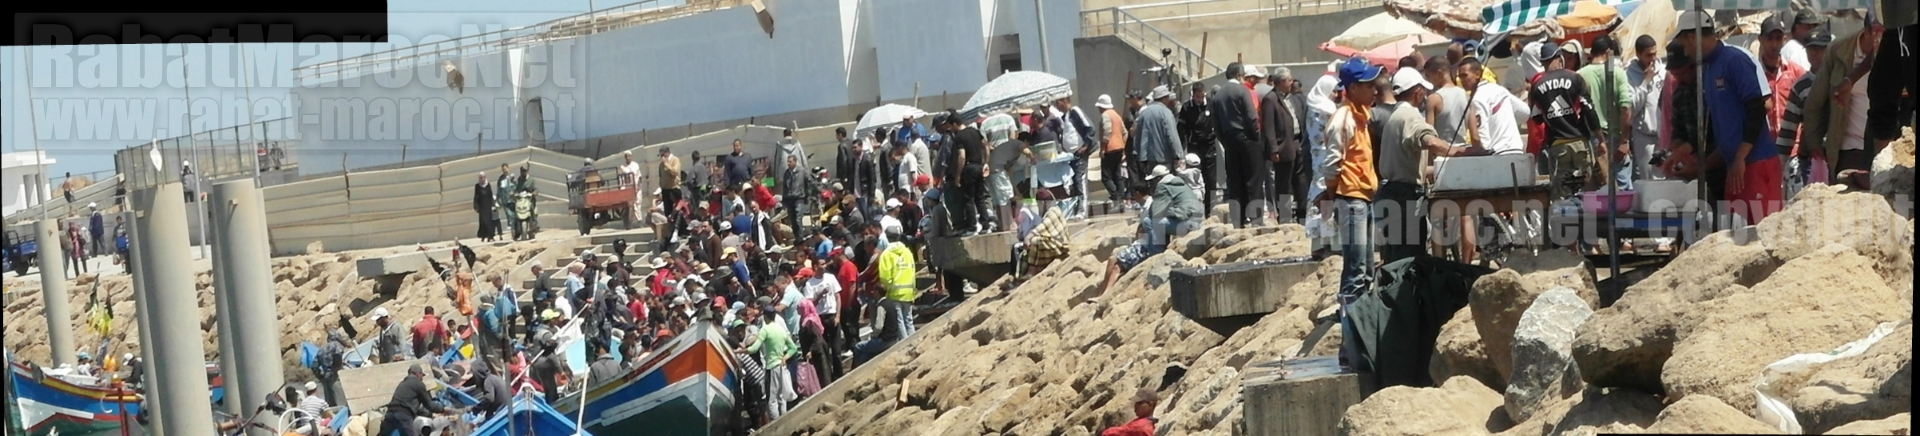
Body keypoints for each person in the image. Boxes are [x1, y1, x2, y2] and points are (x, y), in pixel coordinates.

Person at [1674, 10, 1785, 225]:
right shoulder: (1708, 70)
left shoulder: (1735, 60)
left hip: (1756, 164)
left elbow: (1757, 109)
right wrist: (1700, 166)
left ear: (1691, 37)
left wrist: (1741, 158)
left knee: (1763, 235)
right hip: (1735, 169)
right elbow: (1725, 132)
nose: (1685, 51)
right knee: (1737, 238)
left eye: (1684, 44)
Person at [1377, 68, 1483, 264]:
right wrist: (1460, 152)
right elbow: (1429, 141)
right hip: (1405, 198)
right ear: (1417, 91)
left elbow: (1406, 163)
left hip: (1390, 193)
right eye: (1423, 92)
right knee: (1407, 261)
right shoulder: (1410, 116)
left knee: (1393, 259)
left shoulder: (1395, 116)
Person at [1323, 57, 1384, 371]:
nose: (1374, 89)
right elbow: (1331, 163)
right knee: (1355, 273)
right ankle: (1350, 346)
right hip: (1351, 200)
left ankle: (1360, 341)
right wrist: (1335, 194)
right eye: (1369, 84)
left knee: (1365, 272)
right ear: (1352, 88)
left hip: (1364, 198)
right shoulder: (1343, 119)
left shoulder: (1363, 115)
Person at [1801, 13, 1886, 191]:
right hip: (1848, 150)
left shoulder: (1892, 54)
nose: (1884, 42)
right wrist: (1815, 145)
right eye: (1880, 36)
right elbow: (1815, 102)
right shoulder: (1839, 50)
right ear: (1868, 32)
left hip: (1884, 149)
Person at [1529, 41, 1604, 202]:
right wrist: (1600, 138)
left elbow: (1536, 118)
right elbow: (1588, 109)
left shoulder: (1536, 86)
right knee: (1586, 193)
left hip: (1558, 146)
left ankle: (1564, 226)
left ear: (1543, 62)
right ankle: (1587, 226)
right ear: (1559, 58)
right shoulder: (1575, 78)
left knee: (1562, 195)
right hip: (1580, 144)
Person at [1778, 25, 1838, 199]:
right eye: (1811, 49)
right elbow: (1788, 128)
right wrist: (1780, 165)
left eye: (1819, 49)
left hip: (1839, 155)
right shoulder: (1800, 85)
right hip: (1811, 158)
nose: (1814, 54)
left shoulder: (1841, 80)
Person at [1577, 35, 1636, 191]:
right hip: (1616, 138)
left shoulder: (1580, 75)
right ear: (1608, 52)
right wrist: (1624, 141)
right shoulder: (1618, 73)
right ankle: (1622, 215)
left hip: (1592, 139)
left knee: (1597, 186)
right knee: (1623, 185)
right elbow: (1625, 108)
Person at [1213, 62, 1263, 227]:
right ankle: (1255, 218)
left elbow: (1216, 124)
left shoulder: (1218, 95)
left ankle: (1237, 219)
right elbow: (1252, 116)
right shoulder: (1242, 91)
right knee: (1253, 179)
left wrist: (1224, 141)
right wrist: (1256, 137)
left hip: (1229, 140)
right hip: (1247, 138)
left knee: (1235, 180)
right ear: (1239, 75)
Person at [742, 302, 797, 420]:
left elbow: (753, 349)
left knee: (772, 399)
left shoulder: (765, 329)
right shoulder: (781, 329)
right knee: (781, 397)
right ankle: (785, 421)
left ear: (765, 316)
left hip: (771, 367)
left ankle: (776, 426)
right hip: (782, 366)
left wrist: (739, 351)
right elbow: (793, 348)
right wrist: (785, 357)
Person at [1260, 68, 1302, 224]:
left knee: (1300, 182)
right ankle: (1284, 217)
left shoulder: (1291, 97)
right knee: (1283, 185)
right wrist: (1273, 149)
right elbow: (1268, 127)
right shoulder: (1270, 99)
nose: (1292, 82)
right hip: (1283, 147)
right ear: (1281, 81)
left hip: (1297, 143)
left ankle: (1301, 215)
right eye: (1289, 80)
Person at [942, 111, 990, 236]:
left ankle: (972, 227)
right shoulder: (974, 131)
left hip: (968, 169)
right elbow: (986, 145)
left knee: (969, 200)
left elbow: (962, 156)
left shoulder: (959, 137)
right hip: (979, 167)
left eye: (951, 126)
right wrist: (985, 162)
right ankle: (986, 225)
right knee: (980, 198)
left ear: (955, 124)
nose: (951, 129)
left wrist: (958, 175)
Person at [1134, 85, 1185, 199]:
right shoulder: (1166, 113)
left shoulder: (1143, 113)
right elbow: (1172, 135)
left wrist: (1140, 158)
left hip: (1148, 160)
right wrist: (1178, 155)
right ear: (1164, 98)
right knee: (1166, 187)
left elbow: (1138, 138)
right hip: (1164, 158)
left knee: (1153, 187)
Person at [1628, 35, 1668, 184]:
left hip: (1664, 135)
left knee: (1667, 178)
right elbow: (1632, 108)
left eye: (1654, 54)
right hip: (1644, 136)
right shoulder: (1630, 75)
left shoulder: (1663, 71)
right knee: (1649, 180)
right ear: (1638, 54)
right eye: (1648, 55)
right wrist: (1646, 82)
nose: (1652, 59)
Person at [379, 364, 451, 436]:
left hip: (390, 414)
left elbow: (416, 409)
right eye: (422, 375)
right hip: (404, 416)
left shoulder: (402, 384)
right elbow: (429, 405)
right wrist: (443, 409)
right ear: (418, 374)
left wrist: (430, 414)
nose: (422, 378)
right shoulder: (418, 384)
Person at [1177, 83, 1219, 206]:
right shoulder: (1186, 108)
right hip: (1194, 147)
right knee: (1193, 177)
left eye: (1201, 96)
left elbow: (1217, 121)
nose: (1199, 99)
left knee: (1210, 178)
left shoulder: (1211, 104)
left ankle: (1210, 206)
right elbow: (1181, 128)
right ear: (1192, 95)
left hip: (1209, 146)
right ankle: (1194, 205)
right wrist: (1181, 149)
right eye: (1197, 96)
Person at [875, 225, 916, 339]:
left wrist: (886, 291)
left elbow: (885, 277)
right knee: (909, 320)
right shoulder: (907, 252)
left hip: (894, 293)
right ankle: (915, 342)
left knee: (900, 321)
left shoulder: (886, 254)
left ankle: (905, 346)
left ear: (887, 237)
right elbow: (913, 271)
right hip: (908, 292)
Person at [1096, 94, 1131, 212]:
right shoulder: (1116, 115)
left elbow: (1107, 132)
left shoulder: (1105, 115)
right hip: (1119, 148)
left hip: (1110, 149)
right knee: (1118, 176)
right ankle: (1121, 200)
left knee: (1106, 177)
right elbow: (1125, 133)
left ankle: (1117, 199)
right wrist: (1122, 144)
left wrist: (1103, 148)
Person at [496, 164, 518, 241]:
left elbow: (516, 186)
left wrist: (515, 193)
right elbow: (499, 189)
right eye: (503, 169)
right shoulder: (501, 179)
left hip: (513, 200)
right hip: (505, 200)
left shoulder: (512, 177)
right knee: (509, 217)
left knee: (515, 216)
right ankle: (513, 233)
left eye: (505, 169)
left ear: (508, 168)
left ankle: (517, 232)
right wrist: (498, 199)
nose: (505, 170)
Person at [473, 173, 497, 242]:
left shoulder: (488, 185)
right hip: (481, 206)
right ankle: (483, 236)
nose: (482, 179)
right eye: (481, 177)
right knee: (483, 221)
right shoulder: (477, 186)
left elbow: (490, 194)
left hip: (488, 205)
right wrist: (476, 206)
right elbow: (476, 196)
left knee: (489, 221)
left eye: (483, 177)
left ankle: (491, 236)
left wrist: (493, 204)